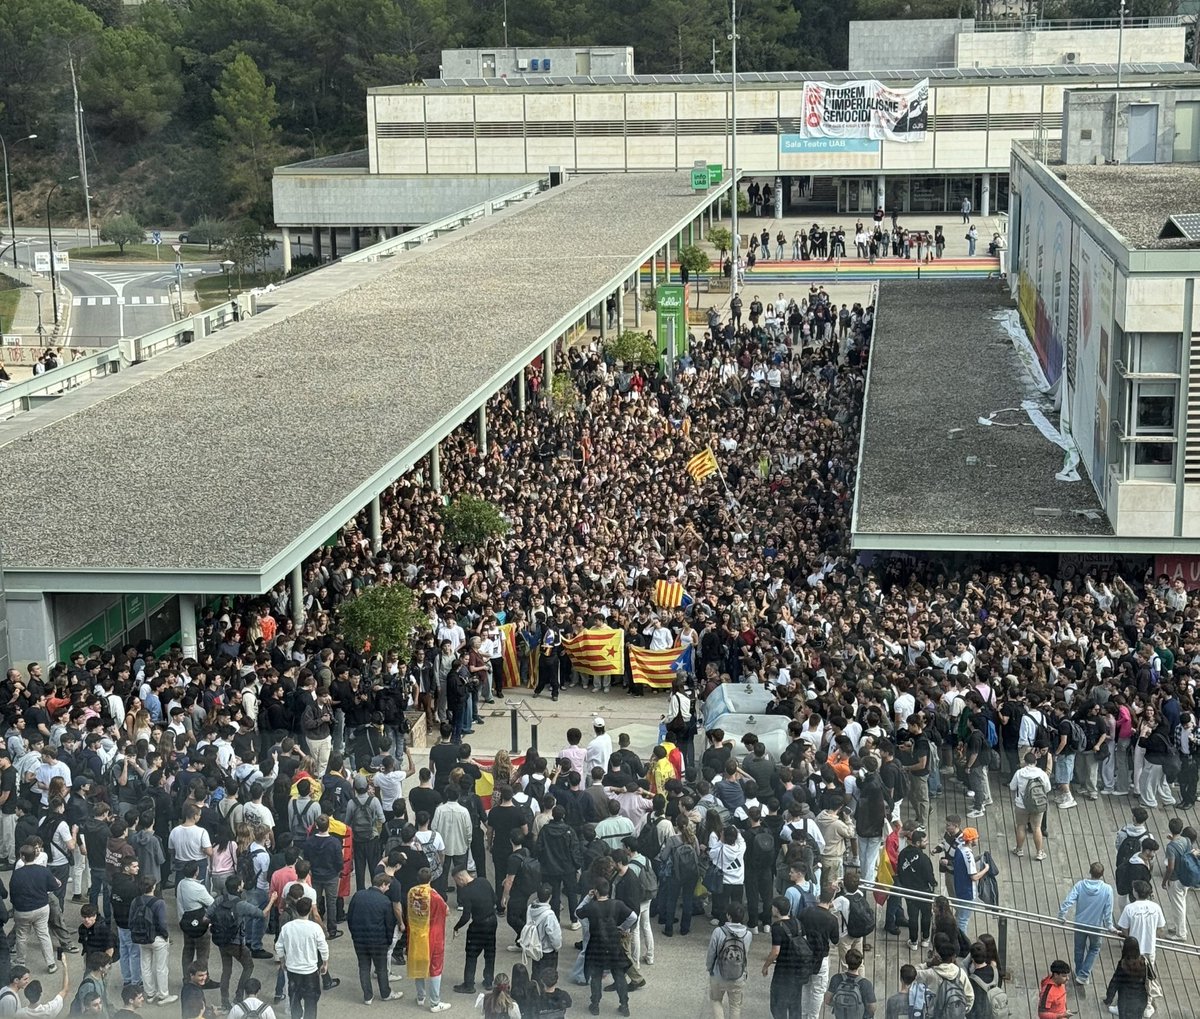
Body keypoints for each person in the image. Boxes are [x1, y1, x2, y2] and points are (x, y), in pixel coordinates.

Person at [576, 877, 635, 1017]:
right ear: (608, 891)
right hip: (614, 944)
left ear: (595, 891)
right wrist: (622, 928)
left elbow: (577, 912)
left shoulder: (591, 907)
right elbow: (633, 916)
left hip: (596, 945)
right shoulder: (617, 904)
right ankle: (624, 1005)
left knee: (596, 975)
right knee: (619, 974)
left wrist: (587, 898)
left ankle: (595, 1005)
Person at [347, 872, 403, 1005]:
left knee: (364, 967)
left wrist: (354, 934)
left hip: (360, 939)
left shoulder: (358, 895)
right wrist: (389, 941)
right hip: (378, 941)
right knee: (381, 968)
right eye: (387, 886)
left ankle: (367, 996)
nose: (388, 889)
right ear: (382, 885)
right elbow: (389, 925)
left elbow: (349, 917)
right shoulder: (385, 901)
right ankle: (385, 993)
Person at [1057, 862, 1114, 986]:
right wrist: (1109, 925)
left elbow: (1069, 900)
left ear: (1090, 872)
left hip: (1080, 923)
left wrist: (1062, 915)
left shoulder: (1080, 885)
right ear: (1102, 874)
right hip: (1096, 926)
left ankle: (1079, 972)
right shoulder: (1107, 889)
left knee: (1079, 949)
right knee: (1094, 948)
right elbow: (1108, 910)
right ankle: (1084, 974)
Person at [274, 896, 329, 1019]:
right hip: (310, 971)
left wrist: (282, 961)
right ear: (310, 910)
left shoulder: (287, 927)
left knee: (294, 1000)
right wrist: (325, 963)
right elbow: (323, 947)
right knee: (311, 1002)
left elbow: (279, 946)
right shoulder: (315, 928)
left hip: (293, 971)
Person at [128, 875, 176, 1005]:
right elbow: (162, 923)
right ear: (154, 886)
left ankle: (150, 994)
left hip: (141, 938)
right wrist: (166, 936)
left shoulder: (135, 901)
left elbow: (130, 921)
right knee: (161, 967)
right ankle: (163, 995)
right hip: (157, 938)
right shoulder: (159, 903)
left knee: (145, 966)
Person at [408, 868, 450, 1013]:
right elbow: (446, 911)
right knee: (435, 968)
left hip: (416, 935)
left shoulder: (412, 892)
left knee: (419, 963)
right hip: (434, 936)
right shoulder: (435, 896)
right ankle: (435, 1002)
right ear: (430, 879)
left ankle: (420, 996)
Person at [11, 845, 59, 973]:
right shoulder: (43, 870)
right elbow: (53, 886)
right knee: (43, 935)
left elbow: (13, 894)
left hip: (22, 910)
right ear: (36, 855)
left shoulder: (17, 874)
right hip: (41, 908)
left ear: (22, 857)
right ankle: (51, 963)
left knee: (21, 936)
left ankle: (20, 962)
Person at [452, 865, 498, 995]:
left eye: (456, 882)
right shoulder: (483, 881)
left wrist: (456, 927)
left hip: (478, 926)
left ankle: (469, 984)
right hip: (492, 921)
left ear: (460, 878)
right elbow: (495, 899)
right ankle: (488, 981)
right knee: (490, 952)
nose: (458, 885)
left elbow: (466, 916)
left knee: (471, 955)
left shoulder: (466, 892)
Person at [762, 896, 809, 1019]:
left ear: (776, 910)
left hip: (783, 972)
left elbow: (775, 952)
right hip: (798, 970)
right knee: (795, 1005)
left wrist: (766, 965)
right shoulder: (798, 923)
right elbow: (804, 943)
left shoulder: (777, 927)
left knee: (778, 1006)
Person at [707, 901, 751, 1019]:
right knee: (735, 1006)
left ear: (728, 915)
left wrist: (709, 968)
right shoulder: (748, 934)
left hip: (718, 974)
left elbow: (711, 952)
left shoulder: (718, 931)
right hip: (738, 975)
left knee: (716, 1000)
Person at [1009, 751, 1050, 861]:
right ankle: (1039, 852)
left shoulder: (1019, 773)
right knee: (1037, 828)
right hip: (1037, 805)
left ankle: (1019, 849)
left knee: (1021, 826)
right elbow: (1048, 788)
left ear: (1025, 762)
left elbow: (1012, 787)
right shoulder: (1041, 773)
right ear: (1035, 761)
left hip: (1021, 804)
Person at [1118, 880, 1165, 966]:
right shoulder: (1156, 907)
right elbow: (1160, 928)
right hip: (1150, 948)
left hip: (1133, 949)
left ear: (1136, 892)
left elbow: (1124, 929)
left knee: (1132, 974)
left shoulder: (1129, 908)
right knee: (1149, 974)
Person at [1103, 937, 1150, 1019]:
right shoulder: (1144, 961)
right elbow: (1149, 977)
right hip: (1141, 999)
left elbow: (1115, 982)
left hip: (1125, 1000)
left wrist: (1109, 998)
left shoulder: (1123, 964)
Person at [825, 947, 875, 1019]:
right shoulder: (865, 984)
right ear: (860, 963)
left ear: (846, 961)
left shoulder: (836, 978)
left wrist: (840, 1005)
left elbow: (827, 1000)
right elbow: (872, 1008)